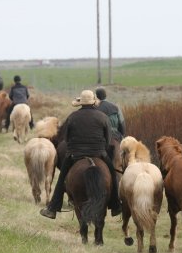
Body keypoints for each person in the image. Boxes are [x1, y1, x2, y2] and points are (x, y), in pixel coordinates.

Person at [40, 90, 122, 219]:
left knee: (62, 179)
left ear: (80, 104)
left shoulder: (72, 117)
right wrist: (101, 150)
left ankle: (53, 208)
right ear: (94, 102)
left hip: (75, 154)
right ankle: (116, 205)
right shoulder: (103, 117)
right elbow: (108, 138)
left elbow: (65, 139)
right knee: (112, 173)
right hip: (99, 153)